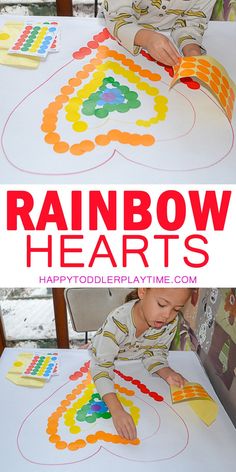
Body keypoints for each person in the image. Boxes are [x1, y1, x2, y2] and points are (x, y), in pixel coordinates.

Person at [90, 287, 194, 441]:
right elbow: (101, 367)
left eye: (176, 309)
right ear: (143, 291)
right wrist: (117, 410)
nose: (167, 315)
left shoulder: (170, 323)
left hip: (134, 367)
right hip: (106, 358)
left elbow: (155, 352)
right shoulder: (118, 321)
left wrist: (167, 373)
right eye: (161, 304)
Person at [101, 0, 216, 66]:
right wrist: (146, 38)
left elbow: (192, 22)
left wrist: (192, 51)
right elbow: (117, 18)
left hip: (164, 32)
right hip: (117, 31)